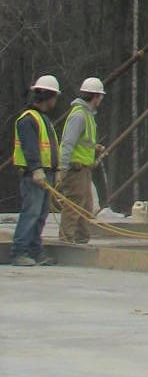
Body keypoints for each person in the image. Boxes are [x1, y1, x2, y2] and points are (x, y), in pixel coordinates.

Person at [10, 74, 62, 266]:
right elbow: (30, 148)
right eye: (54, 96)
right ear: (48, 97)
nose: (55, 101)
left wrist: (55, 170)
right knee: (31, 213)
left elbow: (50, 149)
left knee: (40, 215)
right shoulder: (28, 120)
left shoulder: (43, 120)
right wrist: (36, 169)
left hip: (45, 173)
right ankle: (19, 252)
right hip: (34, 175)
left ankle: (35, 250)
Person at [57, 76, 107, 245]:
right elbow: (68, 144)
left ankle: (81, 240)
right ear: (95, 96)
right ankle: (66, 241)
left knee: (85, 207)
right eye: (100, 96)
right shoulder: (79, 116)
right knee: (73, 206)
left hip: (83, 170)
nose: (101, 99)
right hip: (74, 169)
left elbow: (81, 142)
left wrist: (94, 148)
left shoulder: (87, 115)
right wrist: (62, 169)